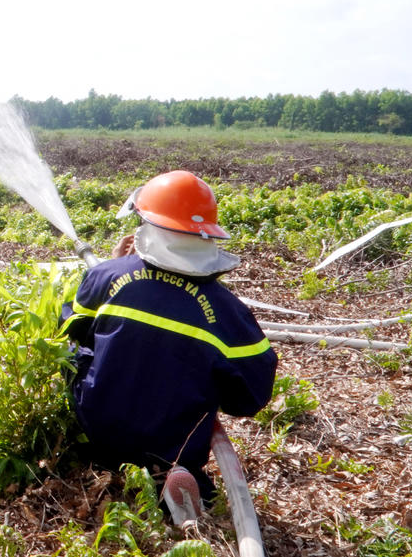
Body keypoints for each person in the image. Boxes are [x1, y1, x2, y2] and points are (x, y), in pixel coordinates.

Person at [61, 170, 276, 524]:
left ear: (144, 225)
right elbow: (251, 397)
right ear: (206, 236)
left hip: (96, 426)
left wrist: (116, 266)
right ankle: (177, 488)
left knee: (75, 351)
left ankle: (107, 464)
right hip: (171, 441)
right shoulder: (227, 311)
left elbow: (74, 332)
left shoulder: (106, 275)